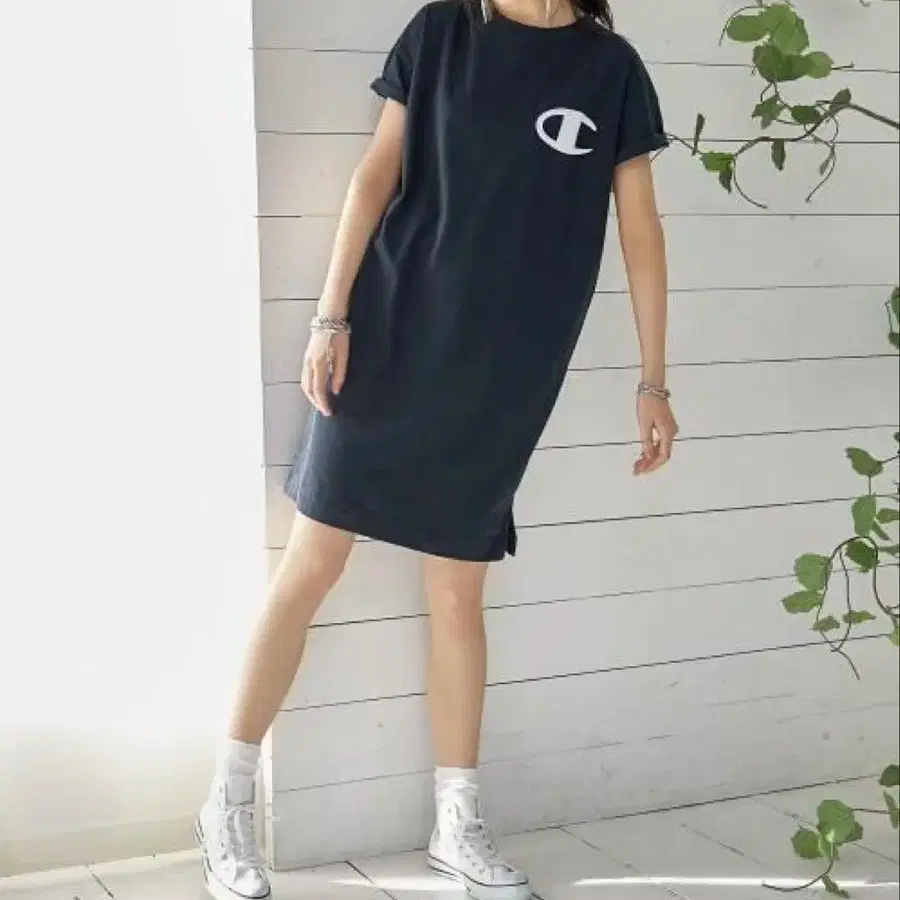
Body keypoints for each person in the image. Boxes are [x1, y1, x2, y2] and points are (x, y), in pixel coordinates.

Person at [196, 0, 679, 897]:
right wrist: (331, 318)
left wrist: (653, 380)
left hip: (504, 373)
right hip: (387, 338)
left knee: (458, 593)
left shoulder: (610, 70)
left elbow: (640, 228)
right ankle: (225, 801)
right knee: (312, 563)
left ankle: (456, 824)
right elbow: (374, 176)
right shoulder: (442, 32)